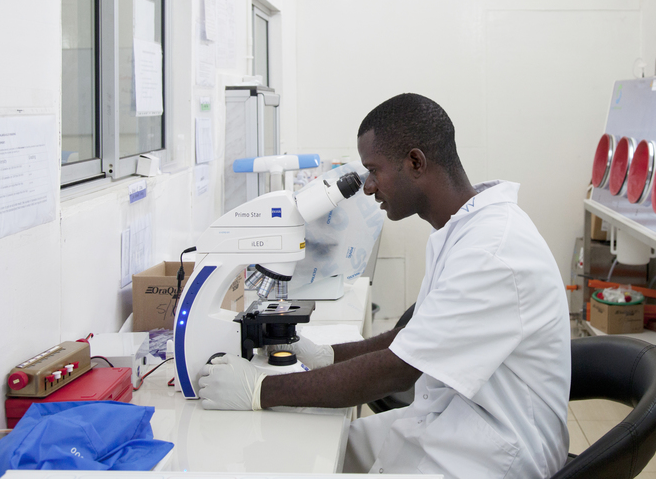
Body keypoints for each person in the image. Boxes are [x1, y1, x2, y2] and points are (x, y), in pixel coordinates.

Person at [198, 93, 571, 478]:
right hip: (455, 419)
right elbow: (411, 337)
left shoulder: (491, 252)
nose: (369, 186)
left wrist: (260, 390)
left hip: (492, 452)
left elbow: (397, 370)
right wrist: (325, 354)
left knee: (306, 456)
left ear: (415, 162)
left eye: (374, 170)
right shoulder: (465, 230)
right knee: (316, 441)